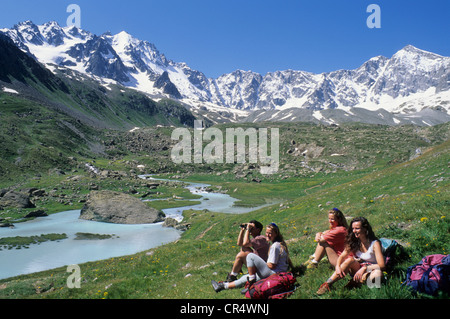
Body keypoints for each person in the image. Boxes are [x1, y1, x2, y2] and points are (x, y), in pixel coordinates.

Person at [212, 223, 293, 293]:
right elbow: (241, 244)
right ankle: (223, 286)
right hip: (278, 272)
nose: (267, 235)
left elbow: (272, 265)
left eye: (270, 233)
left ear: (276, 233)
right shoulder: (280, 244)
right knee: (245, 277)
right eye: (267, 233)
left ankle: (251, 282)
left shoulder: (275, 246)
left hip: (273, 272)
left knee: (250, 256)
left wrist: (259, 266)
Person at [316, 217, 386, 295]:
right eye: (353, 228)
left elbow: (382, 265)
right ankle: (328, 284)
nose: (354, 231)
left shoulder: (374, 243)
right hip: (358, 268)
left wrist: (365, 268)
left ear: (365, 229)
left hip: (372, 269)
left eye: (357, 228)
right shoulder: (354, 241)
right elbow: (342, 256)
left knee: (377, 274)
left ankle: (358, 283)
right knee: (350, 260)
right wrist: (338, 267)